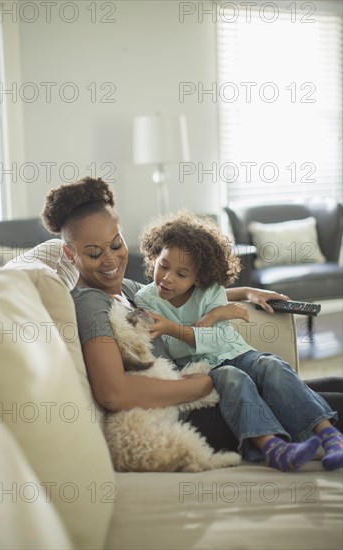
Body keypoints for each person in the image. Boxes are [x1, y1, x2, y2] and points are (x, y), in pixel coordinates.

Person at [40, 177, 343, 472]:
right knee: (332, 404)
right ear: (70, 253)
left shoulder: (129, 290)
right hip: (197, 410)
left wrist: (245, 292)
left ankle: (323, 436)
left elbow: (189, 293)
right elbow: (112, 392)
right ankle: (290, 445)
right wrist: (200, 384)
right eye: (94, 252)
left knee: (325, 386)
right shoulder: (91, 303)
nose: (110, 259)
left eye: (116, 243)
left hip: (216, 390)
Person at [134, 211, 343, 472]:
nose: (167, 277)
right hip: (207, 369)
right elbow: (176, 349)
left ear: (198, 277)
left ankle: (330, 436)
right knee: (233, 377)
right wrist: (206, 320)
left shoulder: (208, 290)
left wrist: (210, 316)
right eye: (163, 265)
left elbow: (220, 338)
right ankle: (274, 448)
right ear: (155, 256)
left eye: (181, 273)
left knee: (271, 365)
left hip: (237, 352)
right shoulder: (145, 299)